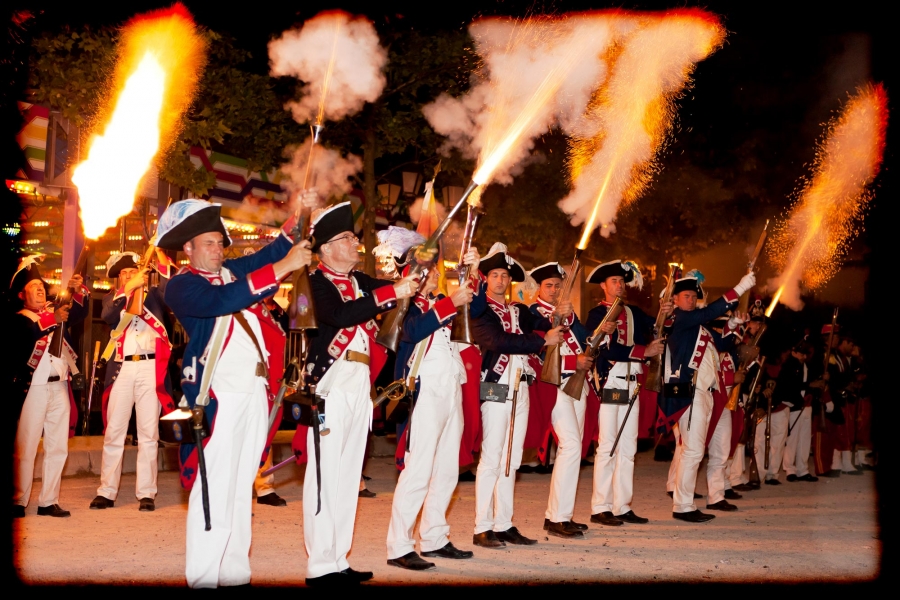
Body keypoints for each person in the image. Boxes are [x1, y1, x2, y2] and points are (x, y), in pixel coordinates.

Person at [160, 198, 313, 588]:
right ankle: (204, 578)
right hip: (218, 396)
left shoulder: (230, 272)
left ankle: (234, 574)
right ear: (188, 249)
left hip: (253, 392)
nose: (218, 250)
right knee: (214, 488)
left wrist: (300, 213)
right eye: (208, 243)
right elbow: (221, 302)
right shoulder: (181, 285)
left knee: (242, 485)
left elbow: (273, 251)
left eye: (219, 242)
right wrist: (282, 269)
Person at [304, 202, 420, 587]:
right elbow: (339, 316)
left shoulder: (359, 281)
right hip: (330, 384)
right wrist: (391, 291)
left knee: (350, 472)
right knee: (325, 475)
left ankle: (338, 558)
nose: (356, 243)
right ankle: (320, 565)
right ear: (326, 249)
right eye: (347, 238)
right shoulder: (314, 282)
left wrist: (422, 259)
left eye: (354, 237)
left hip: (357, 382)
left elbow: (404, 283)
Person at [385, 235, 482, 570]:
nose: (434, 271)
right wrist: (449, 304)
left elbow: (479, 310)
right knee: (419, 469)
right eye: (426, 266)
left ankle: (434, 537)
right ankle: (399, 545)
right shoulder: (403, 301)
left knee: (445, 468)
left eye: (434, 265)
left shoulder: (442, 299)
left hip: (450, 386)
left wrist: (474, 271)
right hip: (423, 389)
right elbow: (410, 331)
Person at [470, 243, 566, 548]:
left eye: (504, 276)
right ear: (486, 279)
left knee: (511, 458)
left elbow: (545, 324)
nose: (500, 280)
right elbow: (498, 341)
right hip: (495, 385)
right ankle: (482, 526)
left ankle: (504, 523)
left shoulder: (519, 310)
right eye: (495, 275)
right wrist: (541, 341)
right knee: (492, 456)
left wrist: (560, 315)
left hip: (521, 385)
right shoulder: (480, 311)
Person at [658, 269, 755, 523]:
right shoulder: (681, 319)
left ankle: (685, 503)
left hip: (705, 393)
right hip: (691, 392)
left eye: (693, 296)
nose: (691, 299)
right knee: (692, 452)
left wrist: (732, 326)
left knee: (695, 451)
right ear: (675, 301)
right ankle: (683, 505)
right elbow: (710, 311)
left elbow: (721, 345)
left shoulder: (697, 328)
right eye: (686, 296)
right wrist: (740, 287)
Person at [90, 250, 176, 512]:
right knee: (114, 432)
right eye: (124, 274)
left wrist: (160, 258)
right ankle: (106, 491)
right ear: (119, 279)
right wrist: (129, 289)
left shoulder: (156, 298)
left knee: (148, 434)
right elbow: (109, 317)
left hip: (150, 367)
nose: (129, 276)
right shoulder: (112, 298)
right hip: (123, 369)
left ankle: (147, 492)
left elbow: (170, 288)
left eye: (133, 272)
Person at [585, 260, 664, 527]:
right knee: (608, 445)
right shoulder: (597, 315)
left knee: (628, 447)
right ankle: (600, 506)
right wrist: (644, 352)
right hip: (612, 381)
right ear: (603, 287)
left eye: (621, 281)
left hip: (633, 382)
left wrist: (667, 312)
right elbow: (606, 351)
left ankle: (622, 505)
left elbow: (658, 326)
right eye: (614, 282)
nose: (619, 285)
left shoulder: (634, 312)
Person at [11, 257, 88, 518]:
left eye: (41, 285)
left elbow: (78, 313)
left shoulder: (54, 311)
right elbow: (29, 334)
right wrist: (52, 317)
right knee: (26, 446)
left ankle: (48, 501)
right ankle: (18, 500)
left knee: (58, 446)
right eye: (34, 286)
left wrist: (76, 289)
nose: (40, 288)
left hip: (59, 386)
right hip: (33, 389)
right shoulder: (21, 319)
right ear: (22, 294)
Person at [527, 262, 590, 538]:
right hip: (554, 386)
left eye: (557, 285)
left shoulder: (569, 313)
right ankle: (555, 518)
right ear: (539, 288)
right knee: (571, 445)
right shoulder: (533, 314)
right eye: (548, 286)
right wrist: (573, 361)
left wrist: (572, 318)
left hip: (578, 385)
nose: (553, 290)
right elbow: (540, 354)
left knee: (572, 450)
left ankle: (561, 514)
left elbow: (586, 339)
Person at [781, 340, 818, 482]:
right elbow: (790, 386)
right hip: (795, 405)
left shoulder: (806, 366)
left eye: (805, 354)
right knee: (792, 438)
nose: (803, 356)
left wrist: (809, 392)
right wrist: (801, 397)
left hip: (806, 405)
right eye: (801, 354)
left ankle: (803, 469)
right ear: (794, 352)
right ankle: (790, 468)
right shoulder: (789, 366)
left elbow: (808, 383)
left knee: (805, 438)